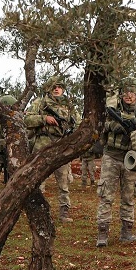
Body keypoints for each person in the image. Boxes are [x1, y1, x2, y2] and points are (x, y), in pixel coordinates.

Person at [95, 78, 136, 247]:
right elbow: (99, 125)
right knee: (106, 195)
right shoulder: (111, 109)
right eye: (125, 92)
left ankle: (127, 232)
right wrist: (111, 126)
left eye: (132, 92)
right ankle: (102, 233)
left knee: (129, 196)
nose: (128, 95)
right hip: (111, 156)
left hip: (131, 159)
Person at [25, 77, 78, 223]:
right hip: (43, 146)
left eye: (59, 86)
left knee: (63, 182)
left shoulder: (69, 106)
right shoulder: (39, 103)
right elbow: (27, 120)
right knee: (39, 181)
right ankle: (39, 212)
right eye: (53, 86)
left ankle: (64, 212)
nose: (56, 89)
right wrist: (44, 118)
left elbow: (78, 124)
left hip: (62, 146)